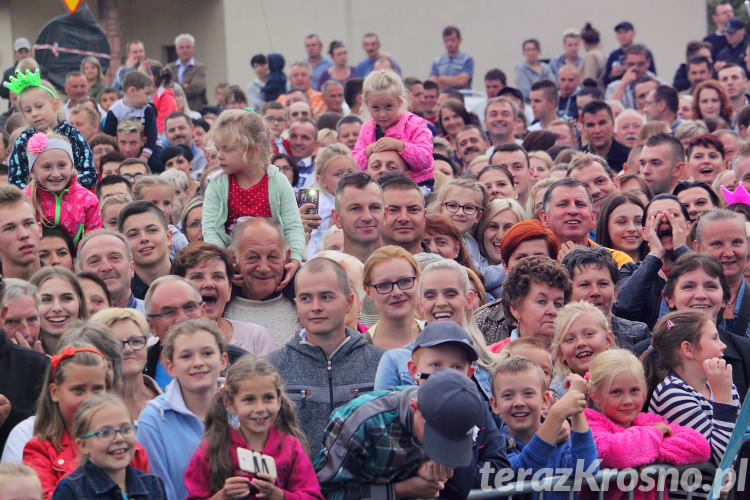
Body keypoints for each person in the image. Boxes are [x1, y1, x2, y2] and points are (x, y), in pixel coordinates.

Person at [266, 258, 383, 456]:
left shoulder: (380, 363)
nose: (315, 306)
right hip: (296, 486)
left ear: (349, 302)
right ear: (296, 304)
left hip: (365, 485)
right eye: (305, 298)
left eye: (326, 297)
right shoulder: (271, 368)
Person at [314, 369, 484, 499]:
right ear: (414, 407)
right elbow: (324, 494)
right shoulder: (362, 423)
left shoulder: (460, 417)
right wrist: (400, 490)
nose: (440, 447)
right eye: (437, 437)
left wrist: (434, 476)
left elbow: (459, 490)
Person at [183, 355, 323, 500]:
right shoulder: (212, 449)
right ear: (230, 404)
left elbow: (313, 496)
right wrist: (222, 496)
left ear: (279, 399)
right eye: (249, 400)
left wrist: (279, 496)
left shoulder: (291, 447)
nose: (260, 408)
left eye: (268, 398)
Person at [23, 345, 150, 499]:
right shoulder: (40, 449)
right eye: (78, 390)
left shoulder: (133, 449)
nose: (89, 398)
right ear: (55, 392)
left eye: (97, 389)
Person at [584, 349, 710, 499]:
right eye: (616, 392)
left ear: (644, 390)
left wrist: (645, 453)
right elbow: (617, 452)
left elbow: (700, 447)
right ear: (595, 394)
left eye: (634, 391)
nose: (628, 401)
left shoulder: (648, 421)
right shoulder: (589, 425)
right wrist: (655, 435)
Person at [202, 111, 304, 271]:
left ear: (255, 149)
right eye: (218, 149)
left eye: (227, 149)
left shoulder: (278, 181)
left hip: (273, 265)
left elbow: (293, 226)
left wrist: (295, 258)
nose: (219, 156)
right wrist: (222, 259)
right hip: (233, 265)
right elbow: (211, 230)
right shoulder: (217, 184)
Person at [137, 319, 226, 500]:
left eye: (207, 353)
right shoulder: (153, 419)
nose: (198, 363)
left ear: (223, 360)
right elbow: (158, 494)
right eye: (186, 356)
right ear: (170, 367)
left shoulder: (245, 408)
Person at [490, 356, 598, 500]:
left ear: (545, 400)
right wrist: (556, 415)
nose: (518, 402)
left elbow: (587, 469)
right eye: (508, 395)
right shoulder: (495, 447)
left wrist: (576, 405)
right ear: (495, 404)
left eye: (528, 393)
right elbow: (524, 469)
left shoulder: (560, 438)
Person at [646, 310, 740, 468]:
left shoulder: (722, 386)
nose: (723, 345)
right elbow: (722, 459)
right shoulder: (672, 394)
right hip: (694, 489)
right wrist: (723, 399)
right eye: (714, 338)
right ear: (688, 349)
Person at [660, 253, 750, 401]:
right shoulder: (648, 353)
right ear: (669, 299)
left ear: (725, 299)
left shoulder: (746, 352)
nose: (701, 295)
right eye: (688, 286)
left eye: (711, 286)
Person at [51, 394, 166, 500]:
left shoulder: (152, 484)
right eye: (105, 433)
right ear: (83, 445)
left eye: (125, 429)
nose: (119, 438)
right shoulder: (71, 490)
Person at [171, 242, 275, 354]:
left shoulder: (255, 338)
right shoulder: (162, 345)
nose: (209, 284)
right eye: (197, 277)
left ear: (229, 290)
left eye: (217, 276)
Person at [5, 69, 96, 190]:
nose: (34, 113)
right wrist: (38, 193)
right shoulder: (23, 139)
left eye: (39, 106)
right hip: (37, 204)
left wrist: (65, 188)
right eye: (28, 110)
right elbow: (15, 179)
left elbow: (89, 172)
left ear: (55, 104)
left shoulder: (72, 134)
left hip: (71, 202)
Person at [613, 194, 691, 328]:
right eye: (655, 217)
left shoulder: (706, 265)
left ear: (688, 227)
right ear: (644, 232)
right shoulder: (630, 270)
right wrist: (655, 254)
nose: (665, 220)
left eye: (673, 215)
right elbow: (623, 308)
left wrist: (680, 250)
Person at [224, 217, 300, 346]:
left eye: (272, 257)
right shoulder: (217, 309)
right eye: (253, 257)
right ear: (234, 259)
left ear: (286, 257)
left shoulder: (305, 307)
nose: (264, 268)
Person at [352, 70, 433, 188]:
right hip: (377, 187)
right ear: (366, 104)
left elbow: (425, 159)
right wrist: (368, 151)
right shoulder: (367, 128)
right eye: (376, 108)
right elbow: (354, 164)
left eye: (388, 107)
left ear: (400, 102)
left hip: (417, 186)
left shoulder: (415, 124)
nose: (382, 114)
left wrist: (401, 146)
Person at [562, 247, 651, 349]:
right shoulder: (557, 337)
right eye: (585, 285)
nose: (595, 292)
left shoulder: (637, 334)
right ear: (567, 293)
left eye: (603, 284)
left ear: (615, 293)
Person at [22, 133, 101, 244]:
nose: (55, 173)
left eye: (62, 165)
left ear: (72, 166)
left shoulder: (88, 200)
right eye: (47, 167)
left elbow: (94, 242)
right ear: (33, 171)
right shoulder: (23, 200)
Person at [89, 308, 160, 419]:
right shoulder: (89, 410)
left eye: (136, 341)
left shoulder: (172, 400)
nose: (127, 349)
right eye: (115, 344)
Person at [693, 210, 750, 337]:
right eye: (717, 244)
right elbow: (667, 333)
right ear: (697, 248)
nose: (729, 253)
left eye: (736, 242)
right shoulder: (682, 296)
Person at [363, 246, 422, 349]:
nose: (397, 292)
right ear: (368, 291)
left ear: (418, 281)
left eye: (405, 281)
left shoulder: (439, 339)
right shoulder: (359, 350)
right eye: (384, 285)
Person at [304, 144, 356, 258]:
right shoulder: (309, 200)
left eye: (350, 172)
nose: (346, 178)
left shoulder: (362, 199)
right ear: (320, 180)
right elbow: (306, 240)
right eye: (338, 174)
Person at [103, 71, 157, 165]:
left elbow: (152, 136)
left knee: (156, 160)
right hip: (122, 148)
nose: (149, 98)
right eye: (147, 94)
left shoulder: (148, 109)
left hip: (148, 148)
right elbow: (109, 137)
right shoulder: (114, 111)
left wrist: (144, 157)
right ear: (132, 91)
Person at [30, 267, 88, 355]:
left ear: (80, 302)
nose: (57, 308)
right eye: (45, 300)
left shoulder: (99, 348)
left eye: (66, 298)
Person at [331, 172, 384, 263]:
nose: (367, 217)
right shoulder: (328, 272)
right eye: (355, 208)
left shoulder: (405, 269)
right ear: (337, 218)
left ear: (385, 214)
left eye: (374, 207)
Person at [0, 185, 42, 281]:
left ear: (40, 229)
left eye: (28, 223)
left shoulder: (68, 287)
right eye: (10, 228)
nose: (24, 235)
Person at [380, 173, 426, 255]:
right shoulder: (358, 266)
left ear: (424, 215)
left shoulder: (443, 267)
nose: (403, 218)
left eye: (413, 210)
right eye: (393, 210)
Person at [580, 101, 630, 173]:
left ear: (613, 124)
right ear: (583, 128)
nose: (597, 130)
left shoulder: (627, 157)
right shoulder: (577, 159)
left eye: (602, 123)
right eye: (590, 125)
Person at [595, 192, 647, 262]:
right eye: (622, 222)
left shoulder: (660, 265)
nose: (632, 228)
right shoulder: (592, 268)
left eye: (639, 222)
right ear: (605, 226)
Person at [165, 34, 207, 111]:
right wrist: (184, 86)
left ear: (193, 49)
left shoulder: (200, 67)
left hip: (194, 109)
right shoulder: (169, 67)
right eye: (181, 47)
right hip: (172, 109)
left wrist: (176, 88)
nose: (185, 50)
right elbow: (166, 87)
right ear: (176, 50)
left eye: (188, 47)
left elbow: (197, 88)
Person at [429, 26, 473, 91]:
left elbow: (462, 81)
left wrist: (442, 79)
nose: (449, 43)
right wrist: (454, 80)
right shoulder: (437, 61)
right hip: (442, 98)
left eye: (452, 40)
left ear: (459, 40)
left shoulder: (467, 60)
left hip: (461, 97)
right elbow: (432, 82)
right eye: (446, 40)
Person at [515, 39, 554, 103]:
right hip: (529, 105)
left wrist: (534, 84)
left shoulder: (546, 68)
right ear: (524, 53)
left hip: (547, 104)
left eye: (533, 49)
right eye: (528, 50)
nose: (531, 53)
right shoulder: (520, 69)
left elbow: (552, 86)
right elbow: (526, 92)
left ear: (539, 51)